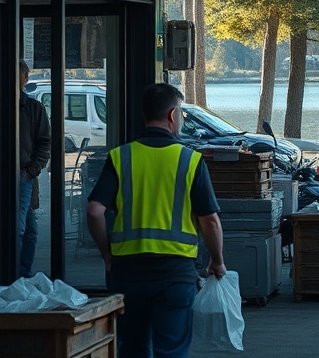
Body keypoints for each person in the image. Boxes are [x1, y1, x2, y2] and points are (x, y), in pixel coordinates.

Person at [87, 83, 226, 358]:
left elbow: (94, 211)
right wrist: (217, 261)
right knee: (170, 352)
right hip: (174, 275)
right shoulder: (190, 160)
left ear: (144, 114)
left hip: (127, 273)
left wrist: (107, 255)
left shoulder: (121, 157)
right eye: (182, 114)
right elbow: (209, 221)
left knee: (133, 349)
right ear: (173, 115)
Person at [18, 60, 50, 278]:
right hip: (15, 177)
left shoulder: (33, 109)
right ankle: (15, 277)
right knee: (21, 230)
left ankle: (22, 273)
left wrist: (31, 171)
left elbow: (45, 142)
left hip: (23, 177)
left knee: (29, 232)